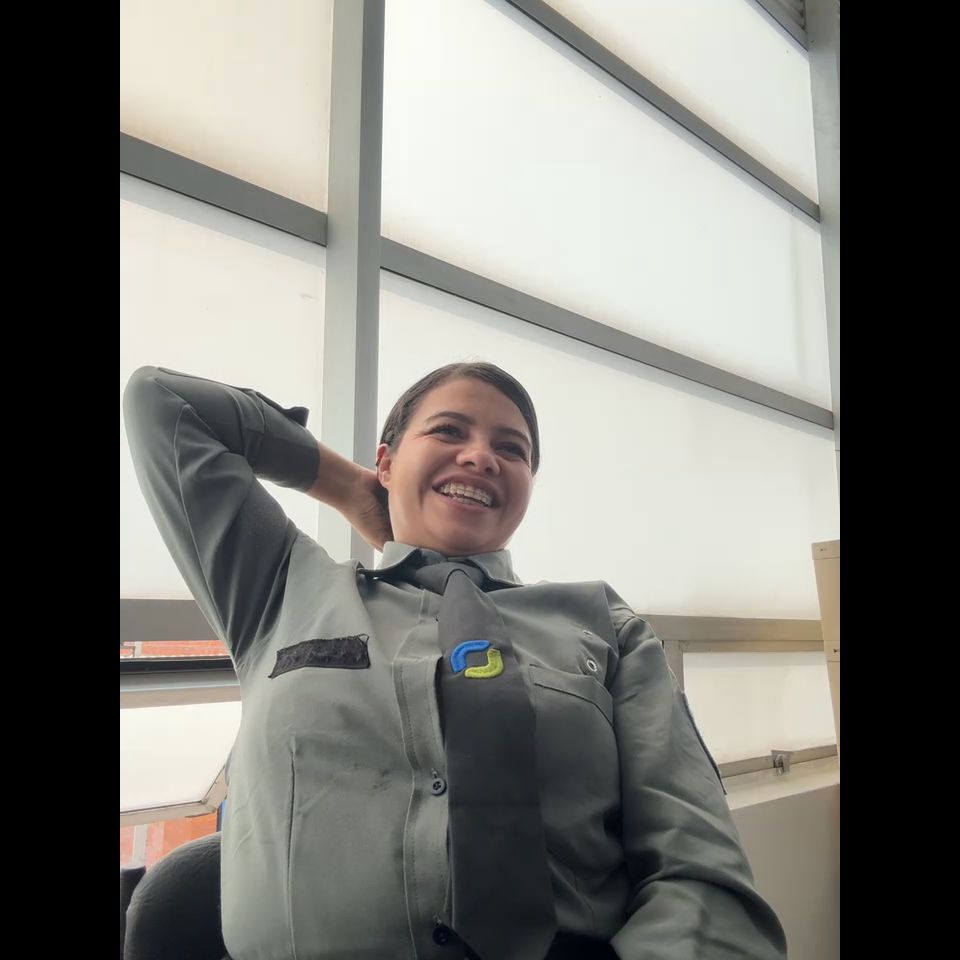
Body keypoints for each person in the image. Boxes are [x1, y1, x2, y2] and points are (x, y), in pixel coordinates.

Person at [123, 362, 787, 960]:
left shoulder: (605, 625)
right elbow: (163, 404)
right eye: (448, 432)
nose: (481, 457)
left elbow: (700, 871)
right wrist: (347, 484)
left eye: (512, 449)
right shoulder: (280, 587)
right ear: (387, 462)